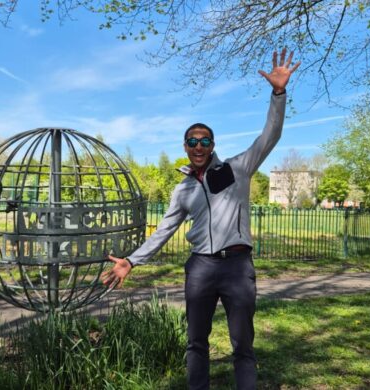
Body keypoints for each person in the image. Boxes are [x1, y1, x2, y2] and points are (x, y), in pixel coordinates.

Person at [103, 48, 300, 389]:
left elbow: (270, 136)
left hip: (238, 267)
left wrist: (278, 93)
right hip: (200, 269)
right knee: (196, 343)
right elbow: (164, 230)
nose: (198, 145)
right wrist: (131, 262)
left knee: (243, 345)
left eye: (204, 140)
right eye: (192, 141)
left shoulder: (235, 169)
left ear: (212, 145)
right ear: (185, 146)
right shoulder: (181, 190)